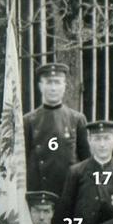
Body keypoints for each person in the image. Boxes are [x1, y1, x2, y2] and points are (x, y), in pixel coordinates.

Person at [23, 63, 90, 194]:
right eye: (48, 83)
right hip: (39, 193)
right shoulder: (28, 120)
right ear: (40, 86)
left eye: (57, 82)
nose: (53, 88)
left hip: (69, 191)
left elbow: (86, 162)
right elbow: (22, 161)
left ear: (65, 86)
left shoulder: (77, 119)